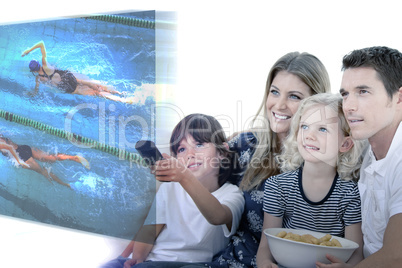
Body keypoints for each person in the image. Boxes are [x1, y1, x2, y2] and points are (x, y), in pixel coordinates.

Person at [199, 52, 331, 268]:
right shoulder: (245, 145)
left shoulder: (328, 163)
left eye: (294, 96)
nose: (279, 105)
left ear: (316, 104)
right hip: (228, 262)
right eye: (275, 92)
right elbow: (200, 177)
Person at [102, 113, 245, 268]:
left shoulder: (232, 194)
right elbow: (149, 231)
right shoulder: (170, 187)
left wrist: (184, 177)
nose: (190, 154)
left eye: (199, 144)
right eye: (182, 149)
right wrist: (137, 259)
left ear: (222, 152)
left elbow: (217, 216)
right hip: (151, 261)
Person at [256, 93, 365, 268]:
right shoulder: (277, 186)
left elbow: (357, 254)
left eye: (322, 129)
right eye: (304, 126)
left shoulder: (350, 194)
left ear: (345, 144)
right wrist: (264, 263)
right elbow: (265, 247)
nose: (309, 135)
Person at [320, 46, 402, 268]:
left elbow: (397, 255)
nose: (349, 106)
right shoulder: (369, 146)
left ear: (398, 97)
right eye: (345, 94)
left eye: (363, 92)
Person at [21, 41, 138, 103]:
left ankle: (123, 101)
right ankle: (120, 93)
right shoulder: (46, 65)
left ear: (34, 71)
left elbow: (35, 92)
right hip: (69, 78)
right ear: (39, 64)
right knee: (95, 84)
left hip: (68, 88)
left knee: (96, 93)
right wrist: (28, 50)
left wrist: (30, 94)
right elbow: (41, 43)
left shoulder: (38, 78)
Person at [0, 134, 90, 188]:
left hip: (22, 158)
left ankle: (67, 185)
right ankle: (73, 157)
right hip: (24, 148)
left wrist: (19, 162)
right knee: (51, 158)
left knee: (44, 172)